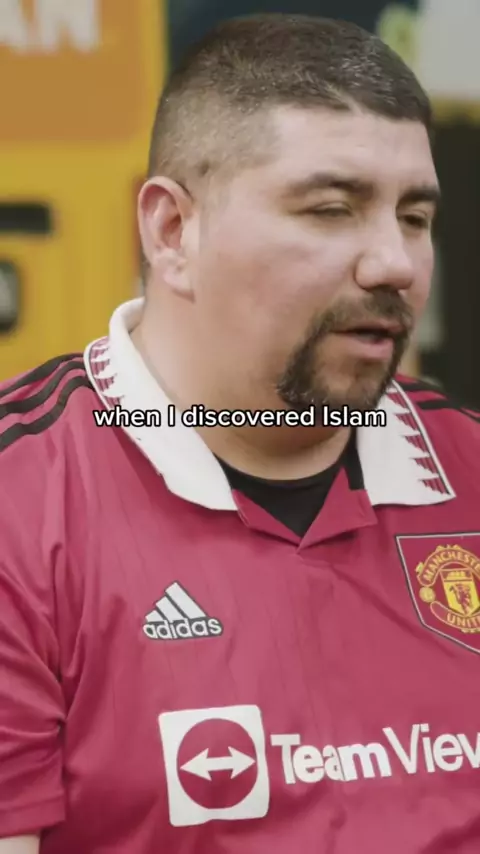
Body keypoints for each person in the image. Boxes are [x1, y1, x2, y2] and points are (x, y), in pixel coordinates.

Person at [1, 13, 480, 854]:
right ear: (173, 232)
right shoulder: (24, 502)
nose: (396, 264)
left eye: (414, 217)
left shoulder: (469, 468)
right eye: (332, 209)